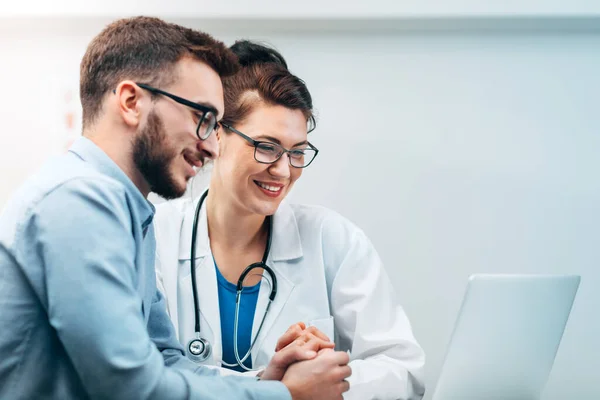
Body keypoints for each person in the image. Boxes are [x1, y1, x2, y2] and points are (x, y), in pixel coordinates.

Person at [0, 17, 351, 400]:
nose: (213, 146)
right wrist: (287, 396)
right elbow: (130, 387)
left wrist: (267, 383)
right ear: (132, 102)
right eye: (201, 117)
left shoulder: (132, 213)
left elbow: (164, 359)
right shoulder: (78, 201)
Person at [154, 41, 426, 399]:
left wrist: (329, 378)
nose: (283, 171)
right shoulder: (155, 235)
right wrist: (280, 390)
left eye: (297, 152)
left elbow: (401, 368)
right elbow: (142, 376)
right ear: (217, 133)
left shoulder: (335, 241)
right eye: (266, 147)